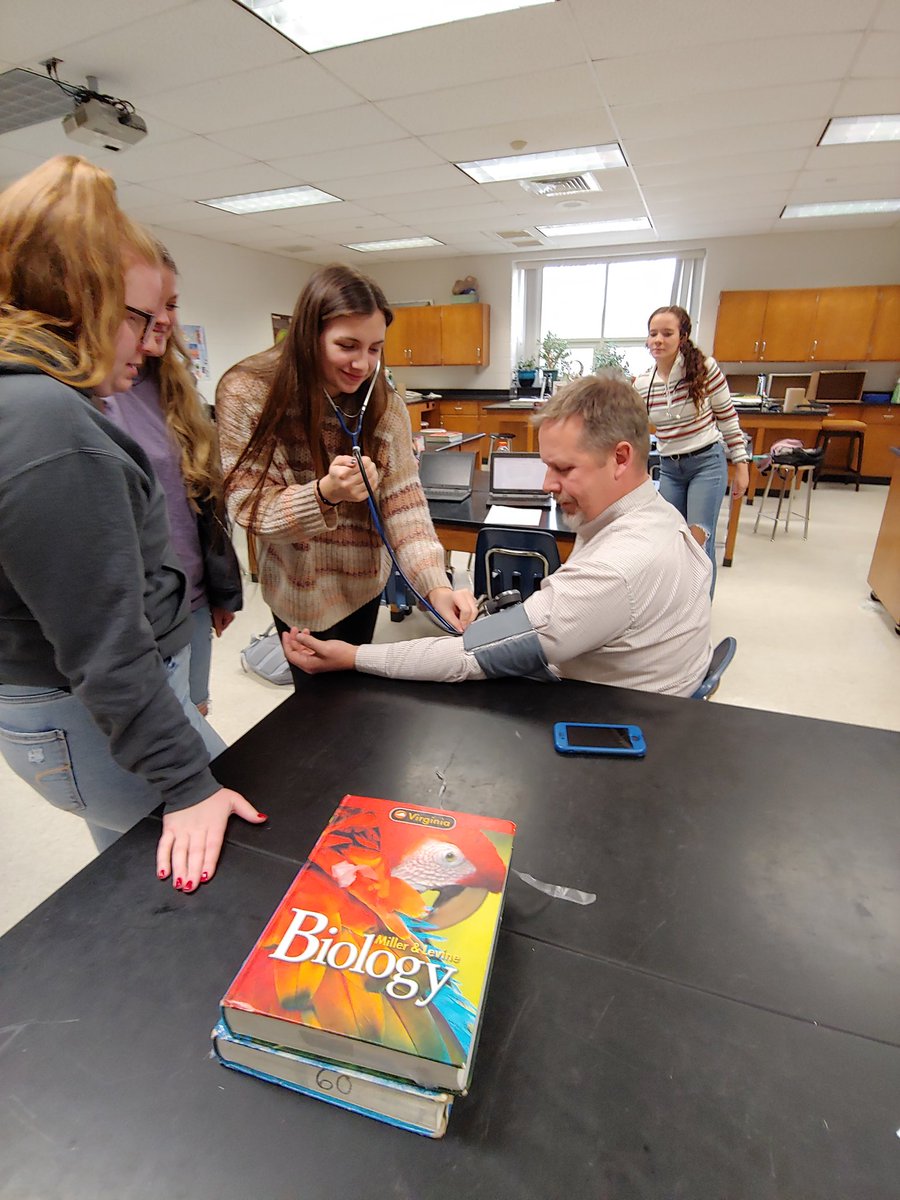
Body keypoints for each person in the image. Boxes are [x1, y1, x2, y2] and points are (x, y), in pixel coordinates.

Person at [0, 155, 264, 890]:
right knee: (229, 858)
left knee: (133, 860)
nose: (156, 341)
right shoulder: (53, 425)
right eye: (141, 318)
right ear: (75, 299)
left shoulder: (26, 404)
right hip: (79, 705)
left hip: (61, 703)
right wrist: (188, 784)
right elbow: (104, 645)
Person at [281, 374, 713, 697]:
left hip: (618, 726)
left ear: (621, 457)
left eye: (563, 468)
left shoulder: (616, 568)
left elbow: (474, 653)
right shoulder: (659, 514)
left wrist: (353, 656)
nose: (547, 483)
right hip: (653, 704)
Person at [216, 263, 477, 686]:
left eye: (375, 348)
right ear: (308, 337)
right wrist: (323, 495)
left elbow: (404, 507)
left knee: (355, 694)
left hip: (362, 587)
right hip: (298, 595)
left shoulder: (385, 407)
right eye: (347, 345)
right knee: (315, 707)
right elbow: (249, 507)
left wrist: (436, 587)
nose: (362, 364)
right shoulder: (248, 393)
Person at [106, 242, 242, 716]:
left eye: (172, 305)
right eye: (148, 308)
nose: (163, 319)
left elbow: (202, 501)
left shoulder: (171, 389)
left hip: (193, 598)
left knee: (196, 710)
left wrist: (221, 589)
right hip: (135, 616)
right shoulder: (92, 394)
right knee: (160, 741)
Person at [633, 305, 750, 595]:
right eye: (653, 334)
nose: (658, 340)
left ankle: (699, 615)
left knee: (698, 543)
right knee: (671, 542)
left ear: (683, 337)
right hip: (670, 468)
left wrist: (742, 467)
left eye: (667, 333)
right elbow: (633, 429)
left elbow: (727, 418)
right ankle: (677, 606)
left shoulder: (705, 370)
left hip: (706, 464)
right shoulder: (643, 383)